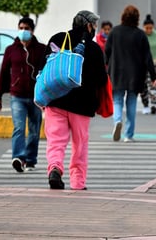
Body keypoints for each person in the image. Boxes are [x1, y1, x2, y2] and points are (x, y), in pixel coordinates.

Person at [44, 10, 107, 190]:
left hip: (55, 100)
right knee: (79, 145)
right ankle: (78, 183)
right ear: (88, 26)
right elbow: (101, 79)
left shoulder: (56, 39)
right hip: (82, 105)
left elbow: (43, 68)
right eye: (94, 26)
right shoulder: (93, 49)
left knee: (56, 141)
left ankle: (55, 168)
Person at [0, 17, 46, 173]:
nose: (24, 31)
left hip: (36, 97)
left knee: (34, 129)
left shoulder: (41, 49)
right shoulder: (11, 50)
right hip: (17, 96)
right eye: (21, 27)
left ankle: (30, 160)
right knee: (18, 127)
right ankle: (18, 158)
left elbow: (45, 74)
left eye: (27, 28)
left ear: (32, 30)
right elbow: (4, 73)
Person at [105, 5, 156, 143]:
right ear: (137, 18)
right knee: (132, 102)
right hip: (135, 74)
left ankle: (117, 121)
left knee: (117, 100)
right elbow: (147, 57)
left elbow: (106, 53)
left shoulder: (114, 32)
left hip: (117, 73)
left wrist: (104, 70)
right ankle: (128, 135)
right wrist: (153, 76)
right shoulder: (140, 35)